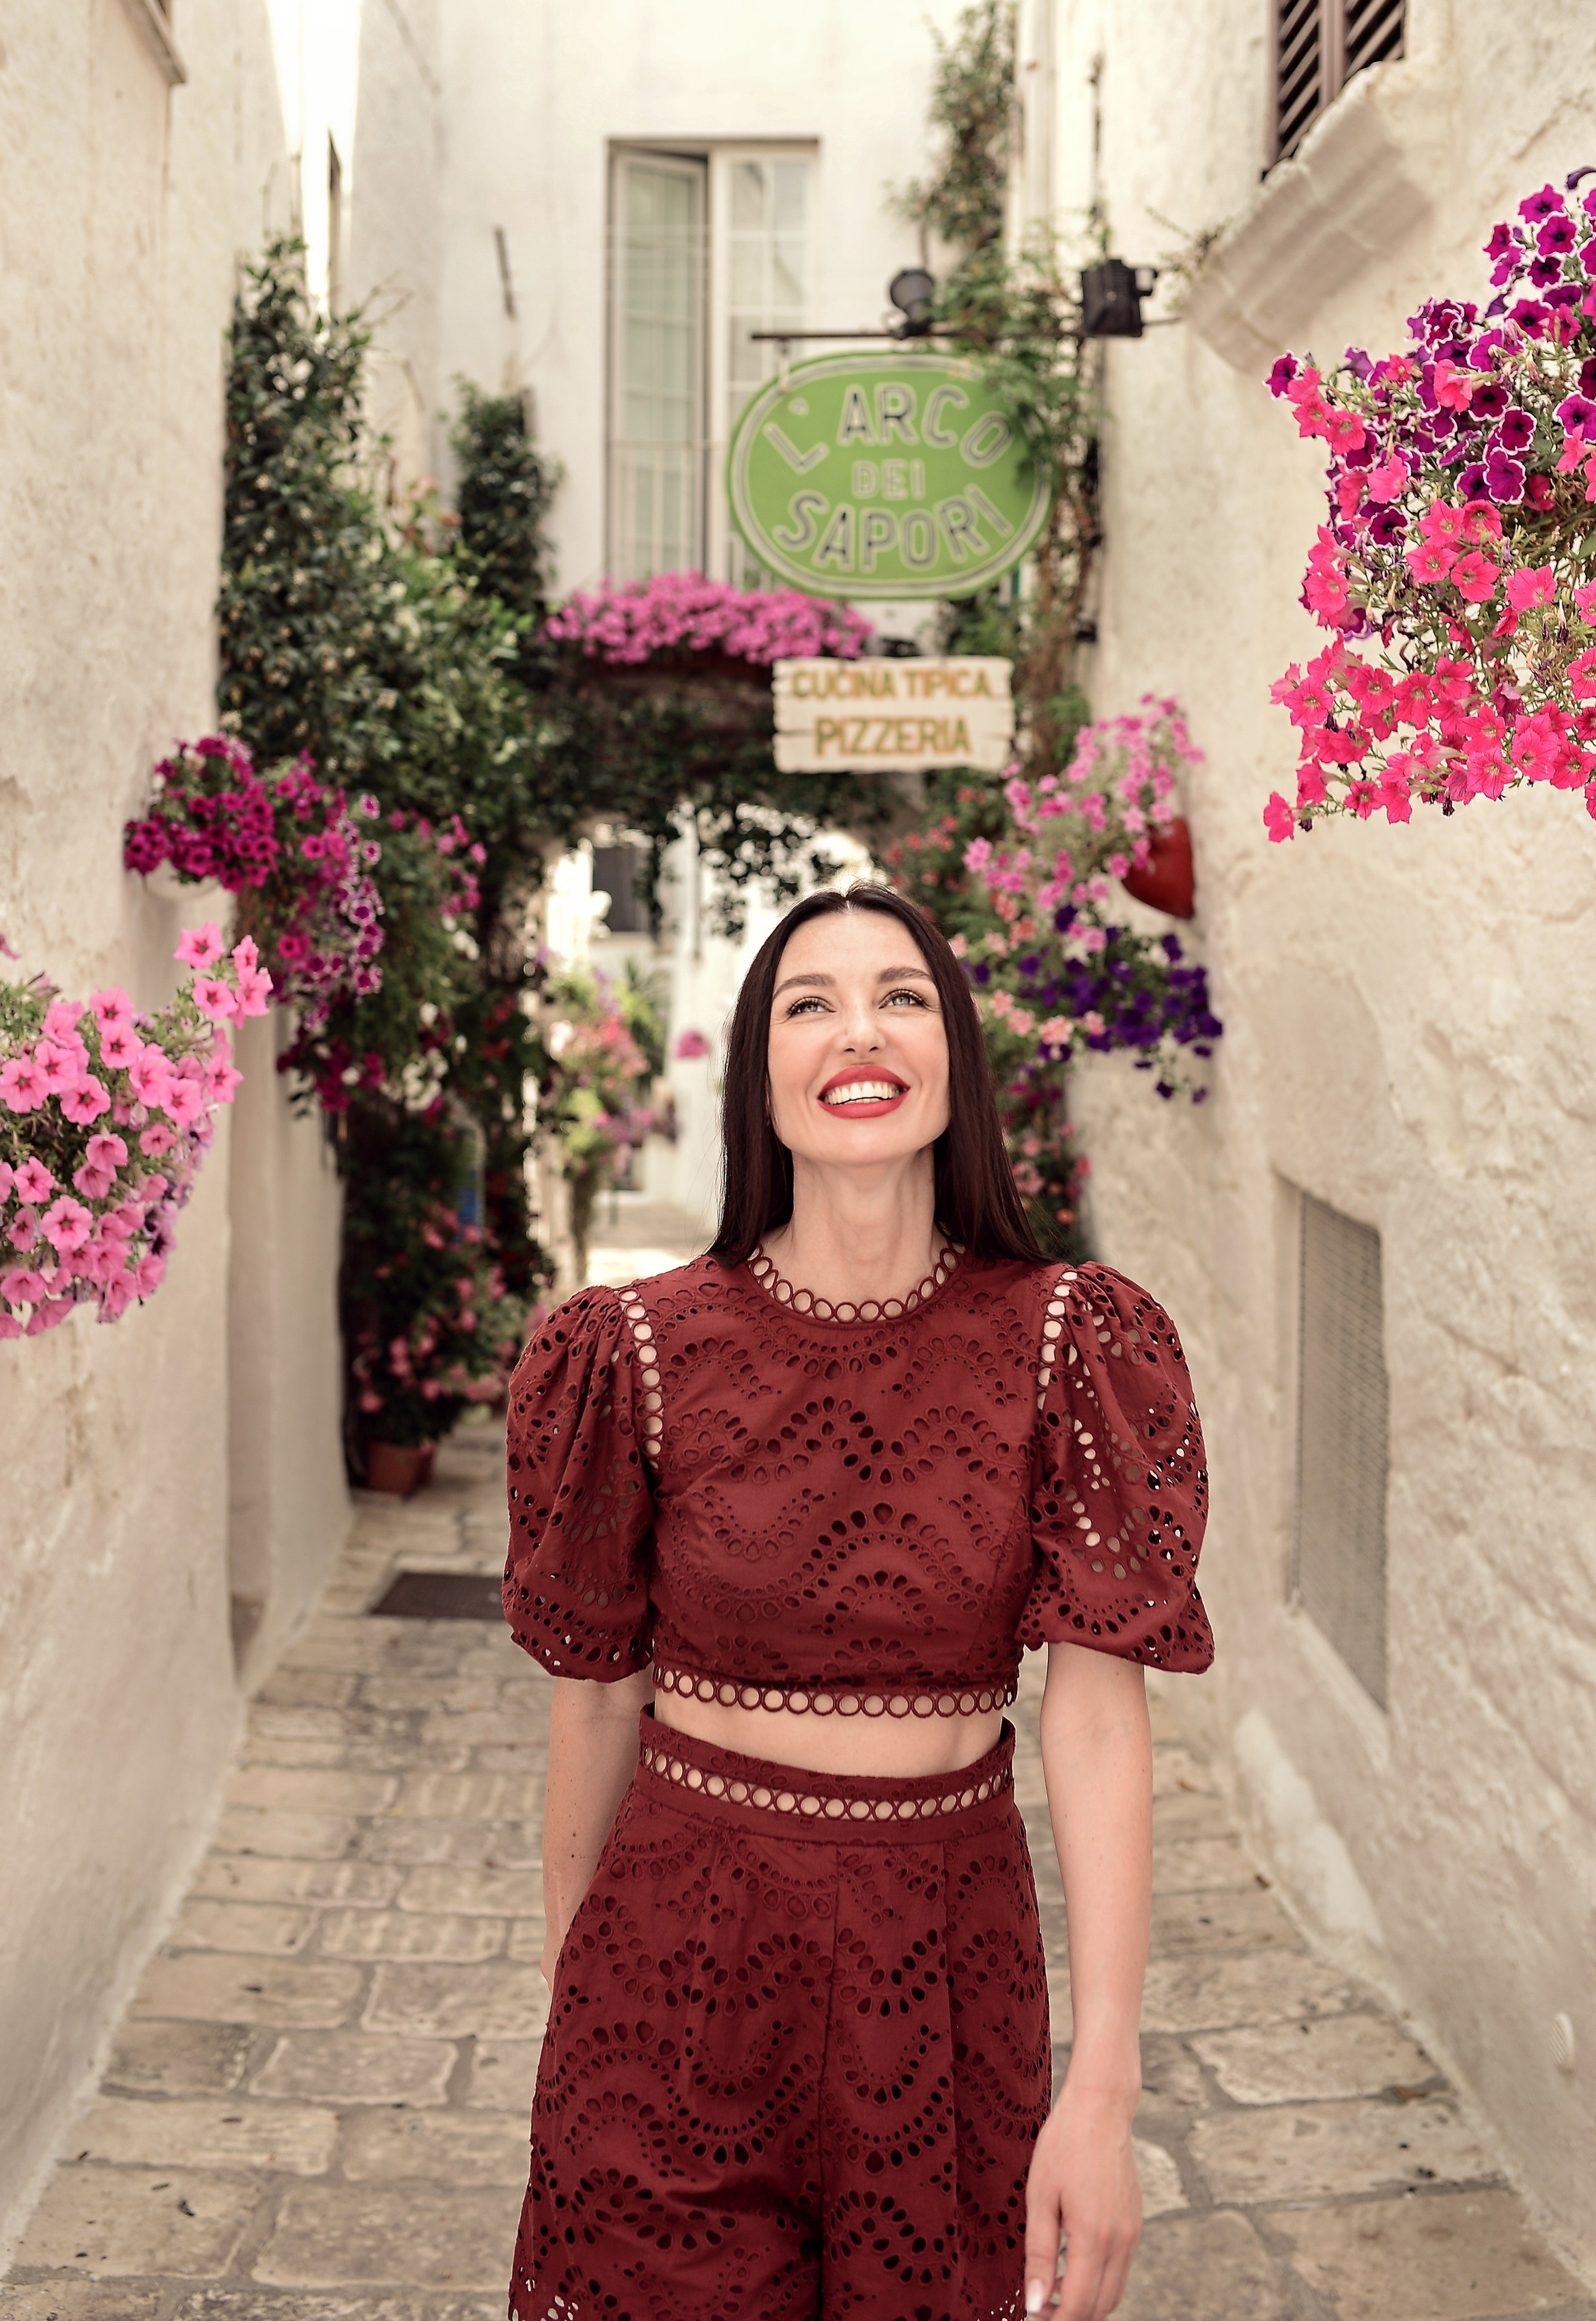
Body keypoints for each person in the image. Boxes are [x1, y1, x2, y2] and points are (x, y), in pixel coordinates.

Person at [503, 884, 1212, 2321]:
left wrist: (1103, 2083)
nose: (856, 1032)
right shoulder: (630, 1349)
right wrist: (567, 2010)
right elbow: (594, 1703)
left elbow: (1091, 1722)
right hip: (676, 1956)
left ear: (952, 1049)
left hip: (946, 1965)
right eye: (806, 1004)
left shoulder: (1069, 1340)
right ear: (758, 1075)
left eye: (898, 995)